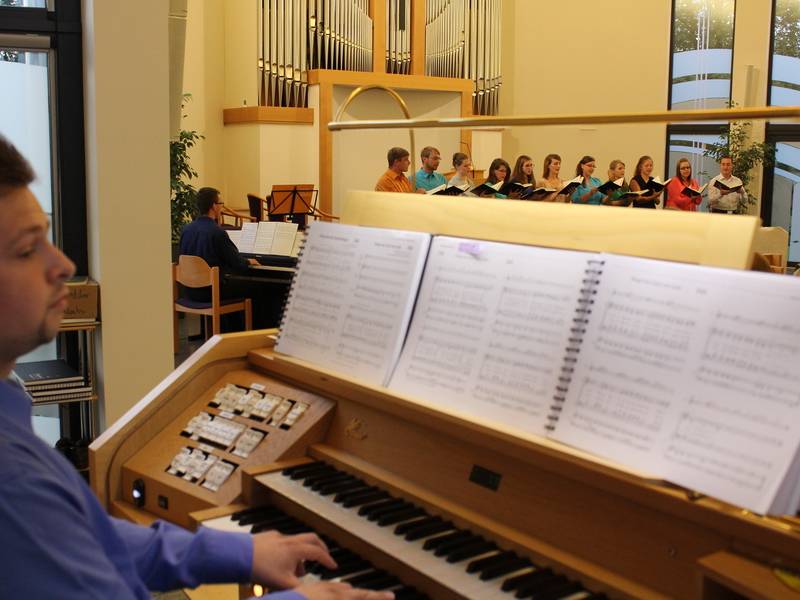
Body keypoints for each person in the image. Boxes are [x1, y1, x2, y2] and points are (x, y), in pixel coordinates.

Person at [0, 135, 392, 600]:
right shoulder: (14, 483)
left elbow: (90, 540)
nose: (63, 263)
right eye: (27, 249)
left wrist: (236, 554)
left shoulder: (16, 440)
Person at [179, 187, 259, 302]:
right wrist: (248, 261)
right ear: (213, 206)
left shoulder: (186, 230)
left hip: (189, 291)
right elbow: (236, 263)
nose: (222, 206)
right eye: (221, 203)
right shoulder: (217, 232)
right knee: (258, 288)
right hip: (211, 292)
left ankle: (224, 320)